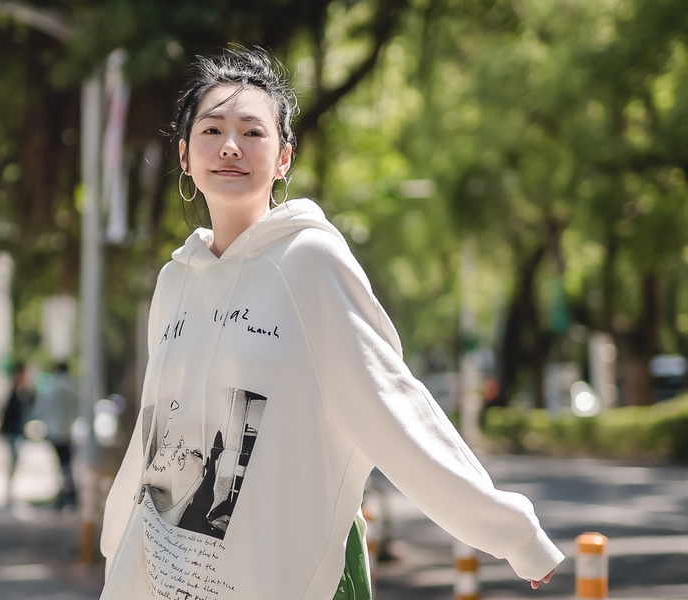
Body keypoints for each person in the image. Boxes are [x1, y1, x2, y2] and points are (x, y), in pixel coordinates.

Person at [100, 48, 563, 600]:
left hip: (297, 576)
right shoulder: (175, 281)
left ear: (283, 159)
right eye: (212, 130)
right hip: (181, 577)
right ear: (184, 154)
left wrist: (513, 533)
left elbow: (391, 404)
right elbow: (155, 429)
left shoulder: (309, 262)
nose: (230, 146)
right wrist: (116, 545)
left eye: (252, 132)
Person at [32, 362, 80, 509]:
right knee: (67, 464)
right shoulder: (73, 386)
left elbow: (41, 408)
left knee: (62, 464)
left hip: (54, 431)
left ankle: (65, 494)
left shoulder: (51, 387)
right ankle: (68, 494)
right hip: (69, 430)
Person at [0, 361, 30, 506]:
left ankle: (12, 494)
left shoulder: (20, 392)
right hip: (12, 433)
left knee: (15, 463)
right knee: (13, 463)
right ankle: (10, 495)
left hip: (15, 433)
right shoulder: (14, 393)